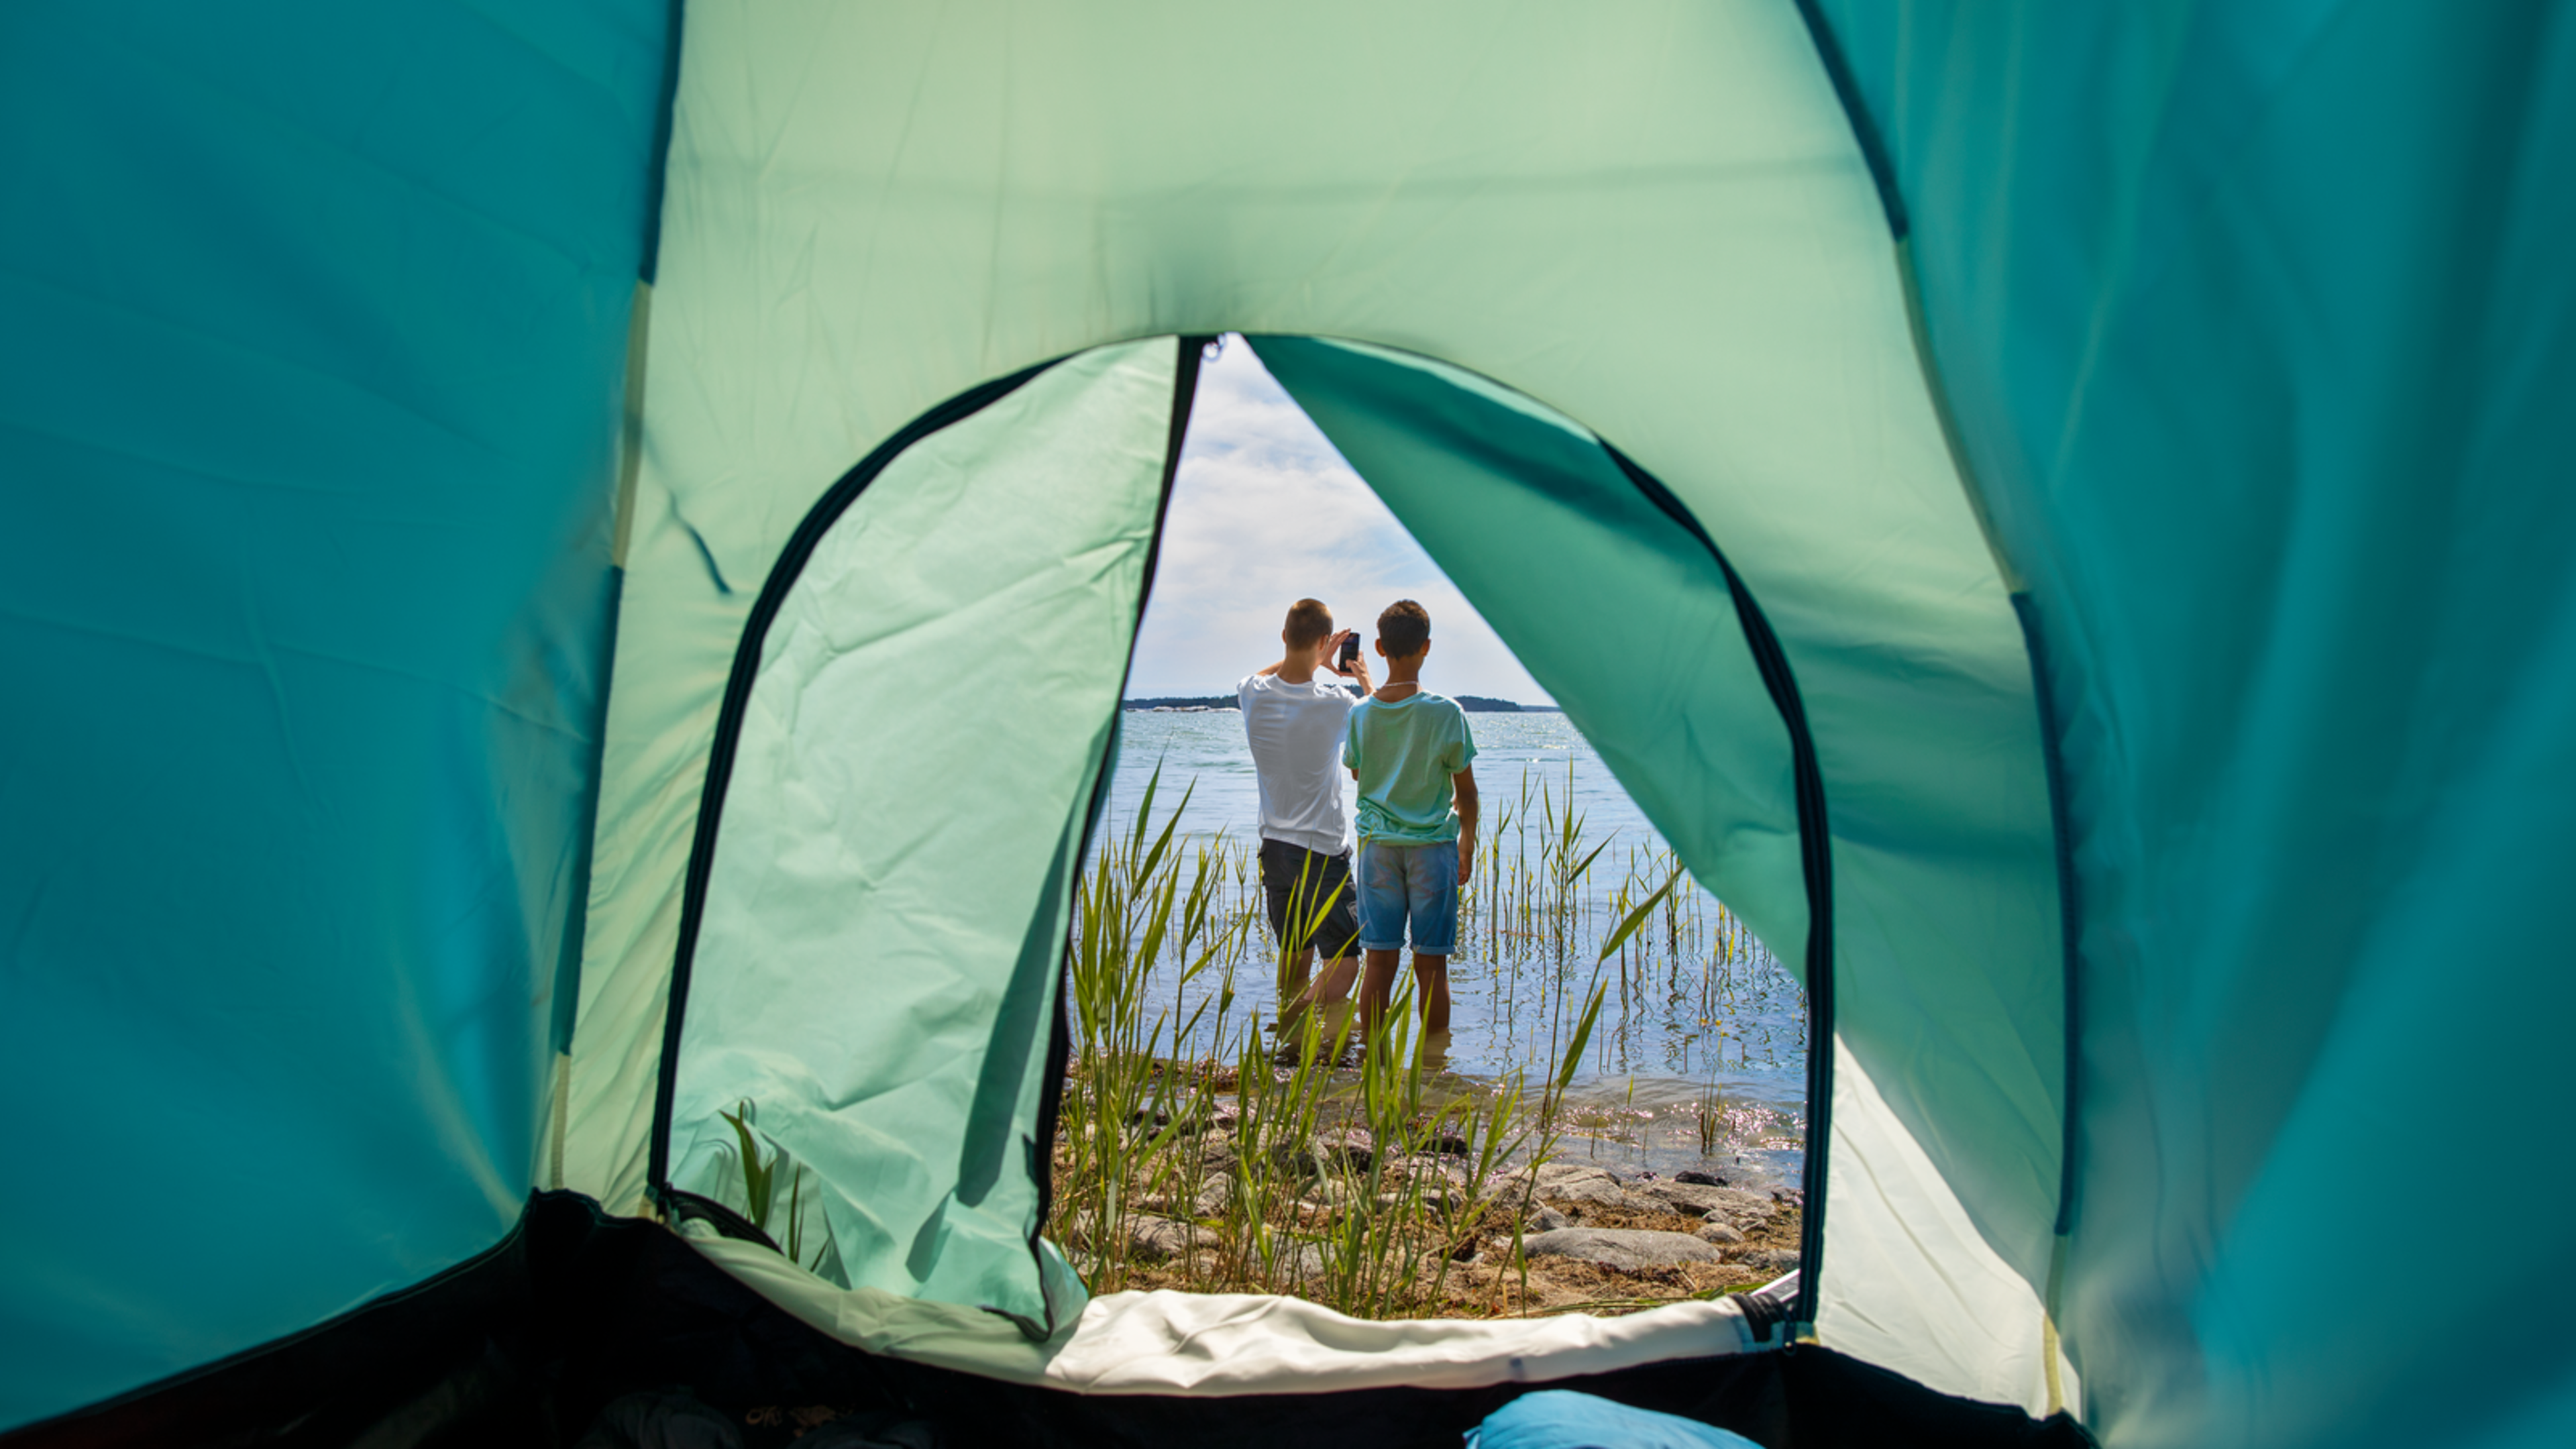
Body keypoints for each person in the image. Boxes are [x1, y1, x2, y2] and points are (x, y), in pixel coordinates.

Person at [1343, 599, 1477, 1044]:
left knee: (1378, 963)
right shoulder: (1446, 713)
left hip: (1378, 849)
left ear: (1379, 647)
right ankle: (1435, 1069)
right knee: (1432, 965)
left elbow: (1361, 773)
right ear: (1427, 648)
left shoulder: (1360, 713)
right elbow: (1467, 793)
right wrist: (1467, 845)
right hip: (1432, 850)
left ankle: (1372, 1064)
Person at [1238, 598, 1372, 1039]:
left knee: (1296, 951)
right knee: (1346, 964)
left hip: (1274, 849)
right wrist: (1351, 675)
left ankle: (1291, 1053)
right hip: (1322, 853)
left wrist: (1310, 656)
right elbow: (1376, 727)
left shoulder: (1251, 693)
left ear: (1283, 637)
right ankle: (1289, 1026)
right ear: (1323, 642)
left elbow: (1263, 674)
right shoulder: (1338, 702)